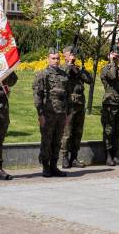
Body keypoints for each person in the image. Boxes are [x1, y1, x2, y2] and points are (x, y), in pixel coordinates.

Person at [32, 48, 69, 177]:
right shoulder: (42, 75)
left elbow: (66, 95)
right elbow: (37, 96)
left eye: (58, 58)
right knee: (47, 140)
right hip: (48, 114)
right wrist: (40, 114)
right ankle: (46, 166)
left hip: (60, 113)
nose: (56, 60)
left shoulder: (64, 75)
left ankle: (54, 166)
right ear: (48, 59)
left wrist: (66, 114)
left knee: (57, 141)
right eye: (53, 58)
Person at [61, 46, 92, 169]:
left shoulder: (78, 68)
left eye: (74, 53)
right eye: (71, 53)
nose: (74, 55)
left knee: (78, 133)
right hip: (68, 105)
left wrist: (80, 71)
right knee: (67, 133)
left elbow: (89, 80)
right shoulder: (63, 68)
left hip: (79, 104)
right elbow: (63, 78)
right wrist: (69, 65)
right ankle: (64, 157)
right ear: (65, 56)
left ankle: (74, 157)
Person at [100, 47, 119, 166]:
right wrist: (112, 62)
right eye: (114, 55)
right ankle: (108, 155)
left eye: (117, 55)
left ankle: (115, 155)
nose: (116, 57)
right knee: (108, 131)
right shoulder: (106, 69)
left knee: (117, 131)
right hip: (109, 103)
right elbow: (113, 76)